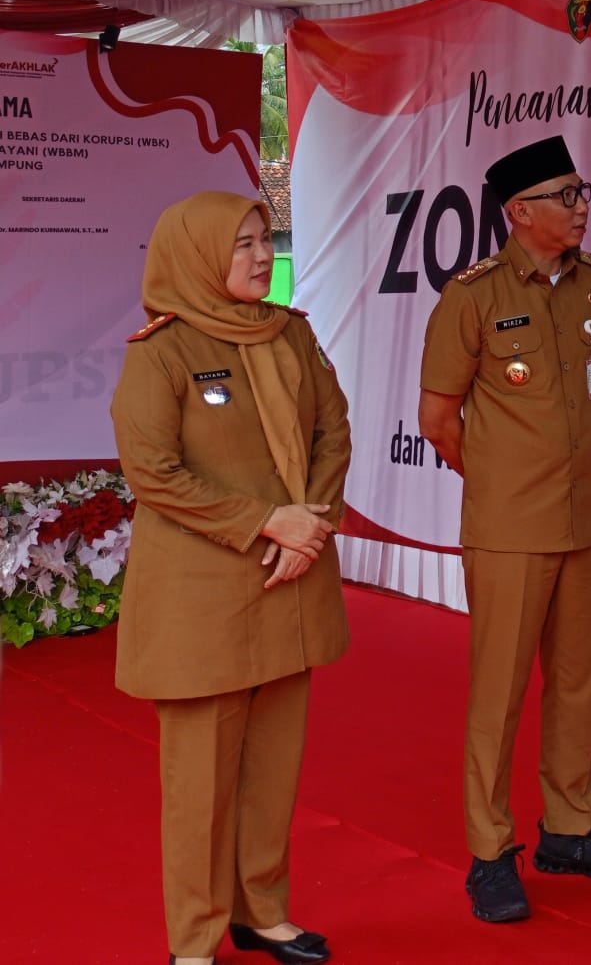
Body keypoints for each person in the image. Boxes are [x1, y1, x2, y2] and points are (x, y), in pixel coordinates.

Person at [110, 192, 351, 965]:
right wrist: (265, 523)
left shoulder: (292, 334)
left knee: (273, 771)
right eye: (240, 244)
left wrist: (309, 523)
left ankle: (263, 912)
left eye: (261, 240)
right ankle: (193, 941)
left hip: (289, 582)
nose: (258, 254)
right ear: (195, 256)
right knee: (199, 787)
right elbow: (153, 473)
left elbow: (332, 430)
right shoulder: (162, 351)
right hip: (203, 597)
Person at [418, 135, 591, 925]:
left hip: (587, 516)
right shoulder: (472, 296)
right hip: (511, 525)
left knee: (579, 681)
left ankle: (569, 831)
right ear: (519, 213)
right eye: (565, 194)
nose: (582, 205)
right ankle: (490, 852)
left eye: (582, 191)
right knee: (500, 692)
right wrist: (500, 481)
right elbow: (438, 418)